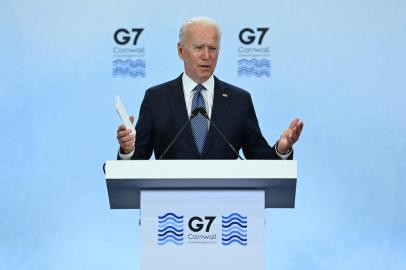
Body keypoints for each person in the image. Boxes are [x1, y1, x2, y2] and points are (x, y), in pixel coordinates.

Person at [116, 17, 303, 160]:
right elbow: (136, 161)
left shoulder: (240, 101)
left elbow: (261, 161)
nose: (207, 56)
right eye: (199, 48)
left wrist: (282, 148)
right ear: (181, 51)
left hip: (228, 207)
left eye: (213, 49)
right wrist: (127, 149)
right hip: (167, 206)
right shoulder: (156, 98)